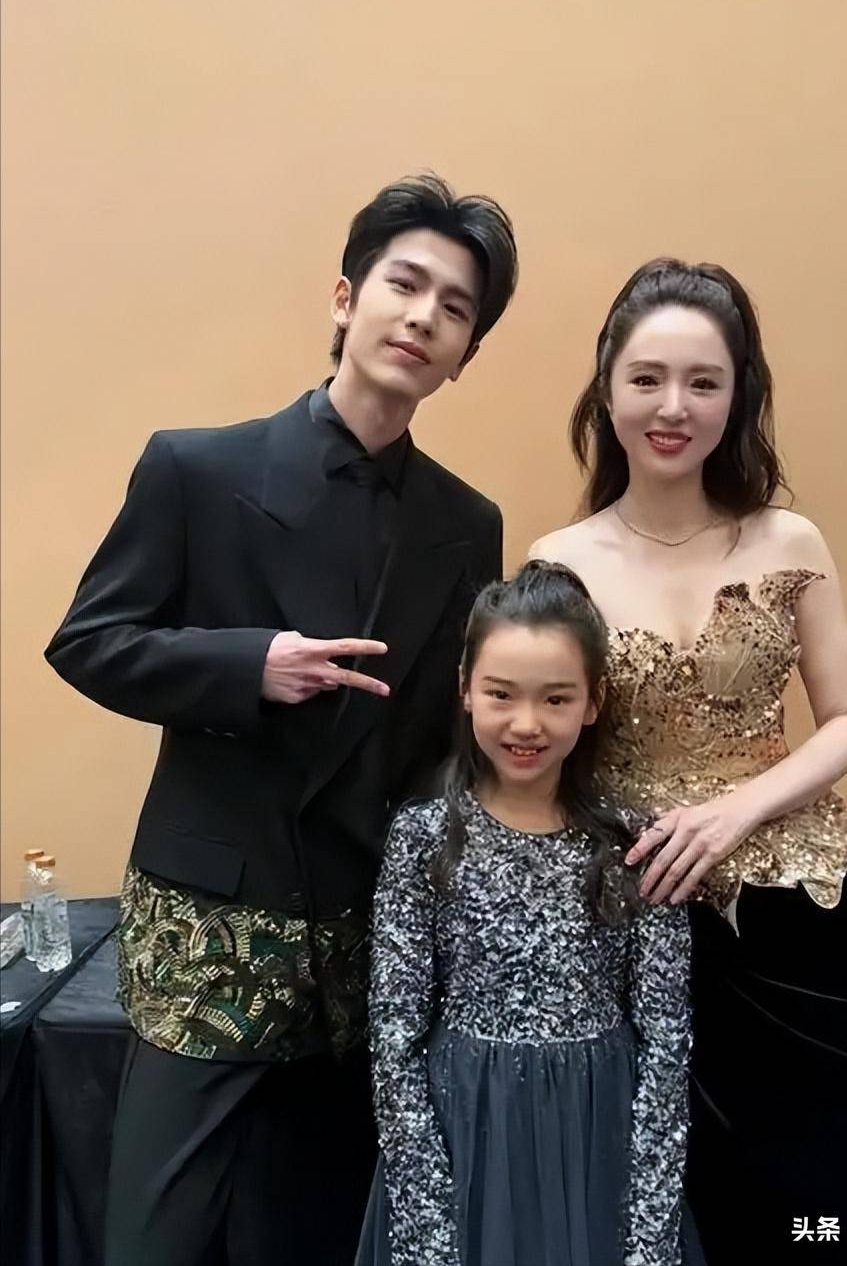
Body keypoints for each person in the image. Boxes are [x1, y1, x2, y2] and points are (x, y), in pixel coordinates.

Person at [44, 173, 518, 1266]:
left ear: (464, 353)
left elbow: (442, 736)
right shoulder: (196, 468)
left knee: (318, 1227)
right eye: (404, 284)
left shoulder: (467, 521)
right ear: (345, 298)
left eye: (454, 308)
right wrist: (246, 664)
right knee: (156, 1236)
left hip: (363, 936)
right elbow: (88, 640)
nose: (423, 317)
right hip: (209, 928)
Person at [530, 259, 847, 1264]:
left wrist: (739, 809)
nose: (673, 407)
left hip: (790, 914)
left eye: (704, 381)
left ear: (739, 396)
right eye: (647, 378)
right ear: (607, 388)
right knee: (646, 1201)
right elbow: (535, 742)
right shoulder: (558, 562)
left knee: (833, 1190)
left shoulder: (789, 538)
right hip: (629, 907)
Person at [355, 561, 691, 1266]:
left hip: (598, 1141)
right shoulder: (424, 837)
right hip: (464, 1136)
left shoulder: (635, 844)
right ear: (465, 689)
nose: (526, 724)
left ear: (593, 701)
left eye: (556, 698)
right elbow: (394, 1036)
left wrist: (649, 1227)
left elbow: (666, 1042)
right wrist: (427, 1216)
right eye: (501, 694)